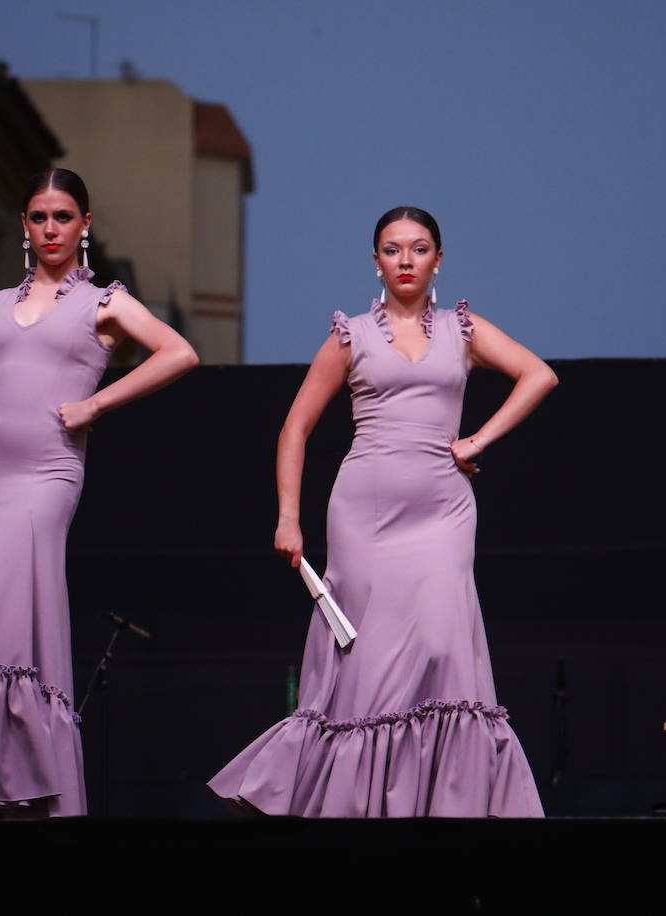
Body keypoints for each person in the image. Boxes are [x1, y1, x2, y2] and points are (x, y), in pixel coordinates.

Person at [209, 206, 556, 816]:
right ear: (376, 261)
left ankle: (443, 805)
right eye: (392, 250)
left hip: (444, 512)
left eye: (418, 249)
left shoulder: (463, 330)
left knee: (446, 649)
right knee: (368, 661)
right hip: (364, 514)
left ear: (438, 260)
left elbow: (539, 375)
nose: (405, 261)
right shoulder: (352, 336)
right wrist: (288, 517)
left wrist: (476, 440)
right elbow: (294, 428)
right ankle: (359, 808)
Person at [0, 168, 198, 817]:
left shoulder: (103, 303)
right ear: (25, 227)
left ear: (84, 225)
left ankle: (29, 787)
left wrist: (95, 405)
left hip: (46, 476)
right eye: (38, 217)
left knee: (9, 617)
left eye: (62, 216)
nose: (50, 228)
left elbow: (179, 353)